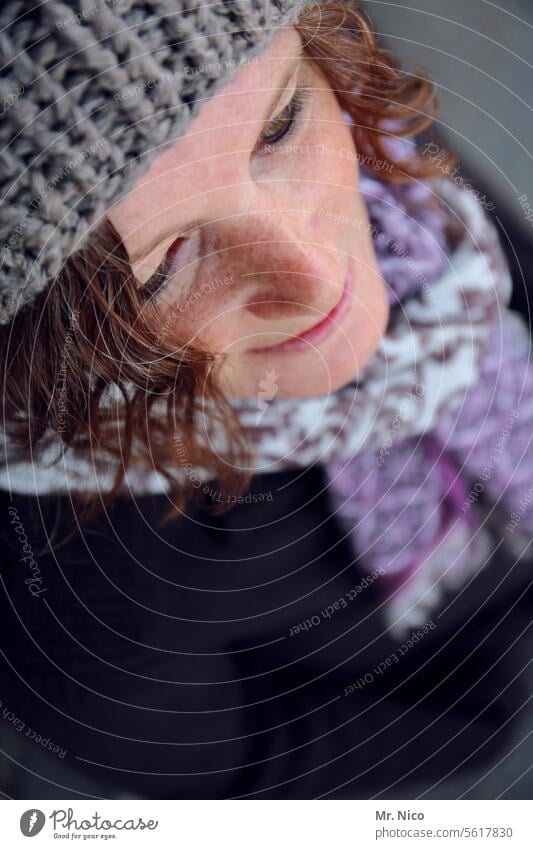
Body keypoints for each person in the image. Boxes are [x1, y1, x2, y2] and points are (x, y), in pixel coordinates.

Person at [0, 0, 532, 799]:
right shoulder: (86, 592)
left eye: (279, 125)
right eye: (162, 266)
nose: (318, 274)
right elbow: (236, 760)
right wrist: (495, 695)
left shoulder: (371, 150)